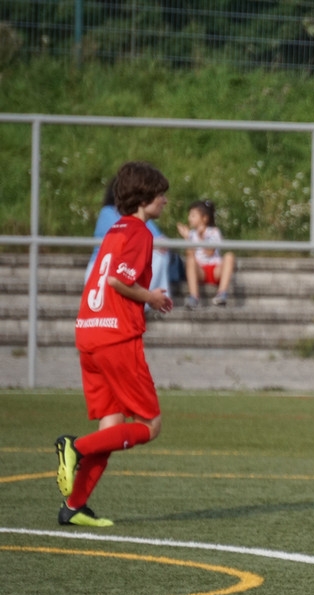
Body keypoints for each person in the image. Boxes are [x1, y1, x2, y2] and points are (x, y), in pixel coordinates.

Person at [55, 161, 173, 527]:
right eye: (161, 195)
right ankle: (75, 447)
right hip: (116, 338)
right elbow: (118, 282)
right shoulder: (140, 232)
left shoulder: (114, 229)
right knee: (150, 425)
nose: (165, 201)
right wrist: (152, 298)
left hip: (89, 332)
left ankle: (74, 506)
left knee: (111, 428)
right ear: (145, 197)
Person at [86, 177, 174, 312]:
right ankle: (149, 300)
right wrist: (150, 297)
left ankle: (152, 300)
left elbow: (159, 239)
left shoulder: (139, 223)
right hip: (106, 270)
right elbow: (115, 279)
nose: (165, 201)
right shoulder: (110, 214)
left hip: (120, 272)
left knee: (159, 256)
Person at [176, 199, 236, 308]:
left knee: (229, 256)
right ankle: (194, 296)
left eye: (193, 215)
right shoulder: (191, 234)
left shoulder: (214, 232)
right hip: (200, 270)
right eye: (190, 215)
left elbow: (210, 251)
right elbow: (189, 254)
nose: (189, 218)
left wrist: (201, 237)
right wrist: (187, 239)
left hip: (215, 269)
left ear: (204, 218)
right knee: (190, 260)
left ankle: (222, 293)